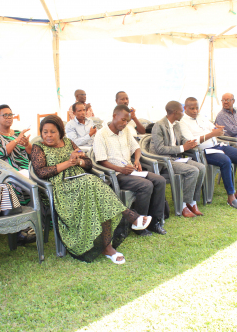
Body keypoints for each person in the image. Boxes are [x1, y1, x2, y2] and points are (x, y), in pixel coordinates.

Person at [30, 115, 151, 264]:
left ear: (60, 132)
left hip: (83, 182)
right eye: (45, 132)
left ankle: (108, 246)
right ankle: (131, 217)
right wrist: (68, 163)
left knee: (96, 192)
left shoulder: (68, 142)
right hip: (62, 188)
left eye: (52, 132)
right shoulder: (39, 147)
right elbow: (41, 172)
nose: (48, 135)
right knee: (92, 182)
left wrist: (78, 161)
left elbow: (88, 163)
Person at [94, 105, 167, 234]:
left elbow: (136, 148)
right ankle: (139, 224)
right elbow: (101, 161)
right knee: (146, 185)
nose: (125, 123)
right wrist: (121, 169)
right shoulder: (101, 135)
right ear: (114, 116)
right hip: (116, 174)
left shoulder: (126, 131)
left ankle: (154, 221)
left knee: (160, 180)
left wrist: (137, 160)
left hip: (130, 170)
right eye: (123, 120)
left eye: (127, 121)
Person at [180, 97, 237, 210]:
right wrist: (212, 134)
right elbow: (191, 142)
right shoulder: (182, 122)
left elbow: (213, 128)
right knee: (225, 161)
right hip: (203, 151)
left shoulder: (201, 117)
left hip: (217, 146)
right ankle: (231, 196)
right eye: (192, 109)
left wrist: (218, 129)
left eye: (197, 108)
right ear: (185, 108)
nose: (195, 111)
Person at [0, 105, 35, 244]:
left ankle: (39, 222)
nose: (9, 117)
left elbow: (31, 153)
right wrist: (15, 140)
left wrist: (26, 143)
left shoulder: (18, 133)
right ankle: (21, 230)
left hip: (26, 170)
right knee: (15, 184)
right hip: (7, 173)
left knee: (40, 181)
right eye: (5, 115)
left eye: (10, 114)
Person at [151, 101, 206, 217]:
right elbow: (160, 149)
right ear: (175, 112)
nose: (183, 113)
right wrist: (182, 147)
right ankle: (183, 205)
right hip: (164, 161)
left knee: (201, 167)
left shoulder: (176, 124)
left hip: (175, 159)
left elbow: (181, 140)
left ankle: (192, 201)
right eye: (182, 111)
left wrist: (188, 143)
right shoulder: (159, 126)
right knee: (193, 170)